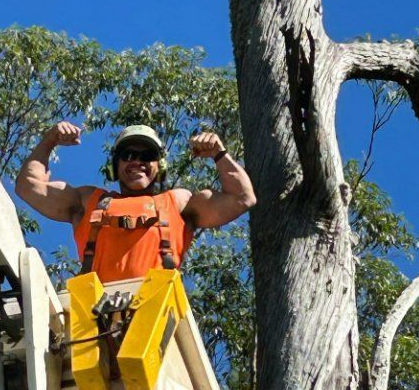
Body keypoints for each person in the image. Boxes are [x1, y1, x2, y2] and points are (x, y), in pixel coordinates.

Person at [15, 122, 256, 284]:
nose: (137, 162)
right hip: (92, 319)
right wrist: (49, 140)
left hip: (153, 317)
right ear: (115, 165)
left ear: (158, 167)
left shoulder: (178, 203)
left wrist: (219, 153)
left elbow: (242, 197)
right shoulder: (89, 201)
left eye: (147, 156)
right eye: (128, 155)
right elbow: (28, 186)